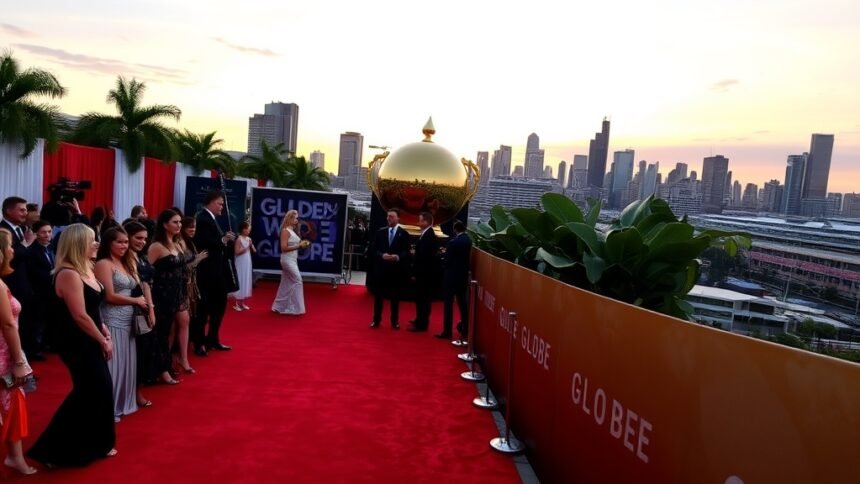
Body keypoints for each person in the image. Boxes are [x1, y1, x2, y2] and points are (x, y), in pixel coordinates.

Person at [27, 223, 117, 467]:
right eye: (91, 240)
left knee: (97, 389)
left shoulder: (85, 267)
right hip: (75, 341)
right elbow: (79, 315)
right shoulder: (68, 273)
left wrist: (103, 328)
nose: (97, 243)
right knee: (91, 389)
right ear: (78, 243)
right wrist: (102, 340)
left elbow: (93, 308)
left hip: (90, 336)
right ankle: (52, 451)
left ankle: (97, 442)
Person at [95, 227, 147, 422]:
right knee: (113, 365)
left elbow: (139, 285)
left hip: (128, 320)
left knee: (125, 363)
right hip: (112, 319)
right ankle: (109, 407)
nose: (124, 245)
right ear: (109, 243)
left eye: (126, 242)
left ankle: (122, 402)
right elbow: (108, 296)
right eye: (120, 242)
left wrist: (147, 304)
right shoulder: (103, 263)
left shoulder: (125, 261)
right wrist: (136, 301)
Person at [148, 210, 206, 384]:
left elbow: (183, 266)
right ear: (165, 224)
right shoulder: (157, 246)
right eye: (175, 222)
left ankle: (170, 364)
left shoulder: (177, 243)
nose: (179, 225)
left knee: (174, 327)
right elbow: (145, 272)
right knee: (162, 332)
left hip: (178, 292)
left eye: (180, 222)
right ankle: (162, 370)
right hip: (161, 295)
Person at [0, 229, 37, 475]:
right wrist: (19, 360)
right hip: (4, 355)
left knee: (13, 404)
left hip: (6, 351)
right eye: (10, 246)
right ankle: (15, 457)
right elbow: (8, 324)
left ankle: (15, 457)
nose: (14, 250)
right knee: (10, 404)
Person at [192, 191, 235, 355]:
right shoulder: (203, 219)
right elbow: (207, 243)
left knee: (219, 305)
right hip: (207, 272)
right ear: (210, 202)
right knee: (204, 308)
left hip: (217, 271)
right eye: (219, 203)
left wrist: (224, 240)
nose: (222, 207)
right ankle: (199, 342)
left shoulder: (210, 218)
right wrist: (224, 240)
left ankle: (212, 339)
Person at [123, 221, 156, 401]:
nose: (142, 242)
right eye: (138, 238)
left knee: (143, 350)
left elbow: (146, 284)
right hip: (126, 309)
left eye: (144, 238)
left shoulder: (141, 256)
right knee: (133, 353)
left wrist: (150, 309)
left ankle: (136, 388)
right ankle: (132, 392)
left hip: (142, 308)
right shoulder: (122, 258)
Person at [1, 197, 36, 362]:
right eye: (21, 210)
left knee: (25, 326)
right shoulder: (2, 230)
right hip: (9, 286)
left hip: (24, 285)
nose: (25, 213)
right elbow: (11, 257)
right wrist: (26, 244)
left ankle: (25, 359)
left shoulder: (23, 229)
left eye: (26, 210)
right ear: (9, 210)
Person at [370, 208, 410, 329]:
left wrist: (397, 257)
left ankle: (395, 321)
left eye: (391, 216)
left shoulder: (404, 234)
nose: (388, 218)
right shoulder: (380, 232)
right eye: (388, 216)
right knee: (378, 297)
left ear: (398, 218)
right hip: (381, 270)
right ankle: (376, 320)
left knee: (395, 298)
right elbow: (373, 250)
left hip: (395, 271)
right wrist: (382, 255)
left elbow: (406, 251)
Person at [25, 220, 54, 358]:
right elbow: (33, 272)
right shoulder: (32, 250)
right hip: (38, 292)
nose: (47, 235)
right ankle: (35, 349)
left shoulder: (51, 248)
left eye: (49, 231)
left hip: (50, 291)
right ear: (36, 234)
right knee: (38, 321)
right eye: (43, 232)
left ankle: (46, 344)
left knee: (48, 319)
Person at [177, 216, 202, 373]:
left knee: (185, 322)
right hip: (181, 286)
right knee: (177, 324)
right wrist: (198, 260)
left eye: (194, 227)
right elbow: (184, 266)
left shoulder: (190, 242)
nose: (193, 230)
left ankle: (183, 357)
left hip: (190, 286)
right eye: (190, 227)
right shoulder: (179, 243)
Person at [439, 220, 471, 340]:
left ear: (455, 229)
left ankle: (447, 331)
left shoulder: (453, 242)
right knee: (462, 303)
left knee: (448, 304)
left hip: (451, 277)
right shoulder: (468, 241)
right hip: (462, 277)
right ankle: (465, 328)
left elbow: (447, 261)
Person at [408, 212, 439, 332]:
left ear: (426, 222)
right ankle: (419, 319)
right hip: (423, 273)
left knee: (423, 299)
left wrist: (416, 273)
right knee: (420, 299)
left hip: (424, 275)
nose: (418, 222)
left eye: (420, 220)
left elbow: (424, 257)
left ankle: (422, 324)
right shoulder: (425, 234)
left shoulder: (429, 236)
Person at [271, 211, 307, 315]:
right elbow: (283, 248)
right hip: (287, 260)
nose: (297, 220)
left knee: (286, 283)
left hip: (293, 259)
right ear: (290, 218)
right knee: (298, 280)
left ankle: (279, 306)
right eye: (295, 218)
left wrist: (302, 244)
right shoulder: (285, 231)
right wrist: (299, 246)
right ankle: (293, 307)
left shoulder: (293, 230)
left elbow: (295, 244)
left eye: (297, 218)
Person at [230, 221, 256, 311]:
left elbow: (254, 250)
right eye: (247, 229)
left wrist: (251, 246)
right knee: (240, 279)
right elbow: (236, 252)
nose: (249, 231)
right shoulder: (239, 239)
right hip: (240, 262)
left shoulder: (249, 239)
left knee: (246, 280)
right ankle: (237, 303)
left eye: (249, 229)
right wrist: (246, 248)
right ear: (243, 229)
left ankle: (242, 303)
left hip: (247, 262)